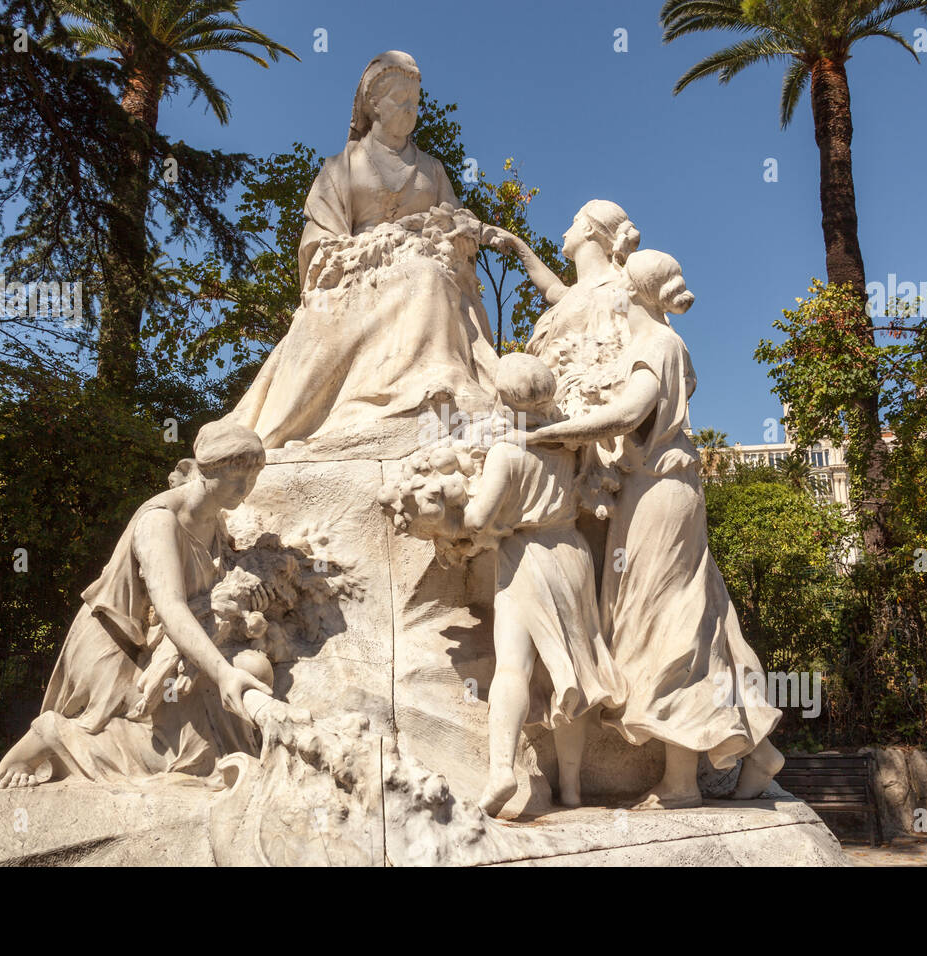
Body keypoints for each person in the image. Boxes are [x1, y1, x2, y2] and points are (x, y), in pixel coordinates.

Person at [522, 250, 784, 809]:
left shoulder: (656, 346)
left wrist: (549, 435)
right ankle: (758, 753)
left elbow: (625, 415)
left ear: (630, 294)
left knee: (664, 626)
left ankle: (680, 782)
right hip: (667, 493)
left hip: (659, 498)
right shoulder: (668, 344)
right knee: (705, 617)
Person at [226, 51, 499, 448]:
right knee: (416, 282)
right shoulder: (340, 167)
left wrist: (459, 232)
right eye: (399, 99)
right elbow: (318, 239)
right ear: (373, 104)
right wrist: (370, 247)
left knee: (430, 277)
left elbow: (458, 228)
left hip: (428, 265)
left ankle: (435, 387)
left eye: (415, 101)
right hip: (357, 272)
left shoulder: (433, 169)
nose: (410, 108)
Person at [0, 420, 271, 788]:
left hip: (163, 642)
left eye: (251, 480)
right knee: (192, 755)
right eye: (237, 479)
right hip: (119, 648)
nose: (244, 490)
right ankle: (54, 735)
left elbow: (211, 591)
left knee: (240, 691)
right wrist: (222, 673)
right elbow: (171, 607)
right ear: (208, 470)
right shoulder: (161, 522)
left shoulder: (214, 519)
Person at [462, 354, 625, 817]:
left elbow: (477, 518)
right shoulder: (570, 444)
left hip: (524, 558)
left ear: (502, 399)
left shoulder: (506, 453)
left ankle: (501, 770)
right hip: (571, 555)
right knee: (566, 672)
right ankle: (571, 788)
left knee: (513, 668)